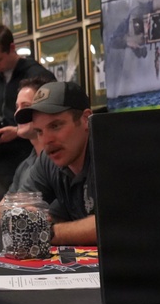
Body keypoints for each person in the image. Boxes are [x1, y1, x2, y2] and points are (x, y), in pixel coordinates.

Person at [0, 24, 55, 207]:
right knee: (0, 224)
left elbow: (52, 119)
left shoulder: (38, 76)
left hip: (32, 161)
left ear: (12, 48)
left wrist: (17, 131)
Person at [12, 81, 97, 245]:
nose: (47, 140)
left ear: (86, 119)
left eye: (56, 126)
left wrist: (48, 232)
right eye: (39, 131)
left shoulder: (110, 153)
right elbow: (14, 214)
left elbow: (114, 224)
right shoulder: (48, 160)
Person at [0, 75, 56, 221]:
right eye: (17, 107)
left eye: (26, 107)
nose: (17, 114)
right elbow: (6, 208)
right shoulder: (26, 165)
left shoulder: (59, 160)